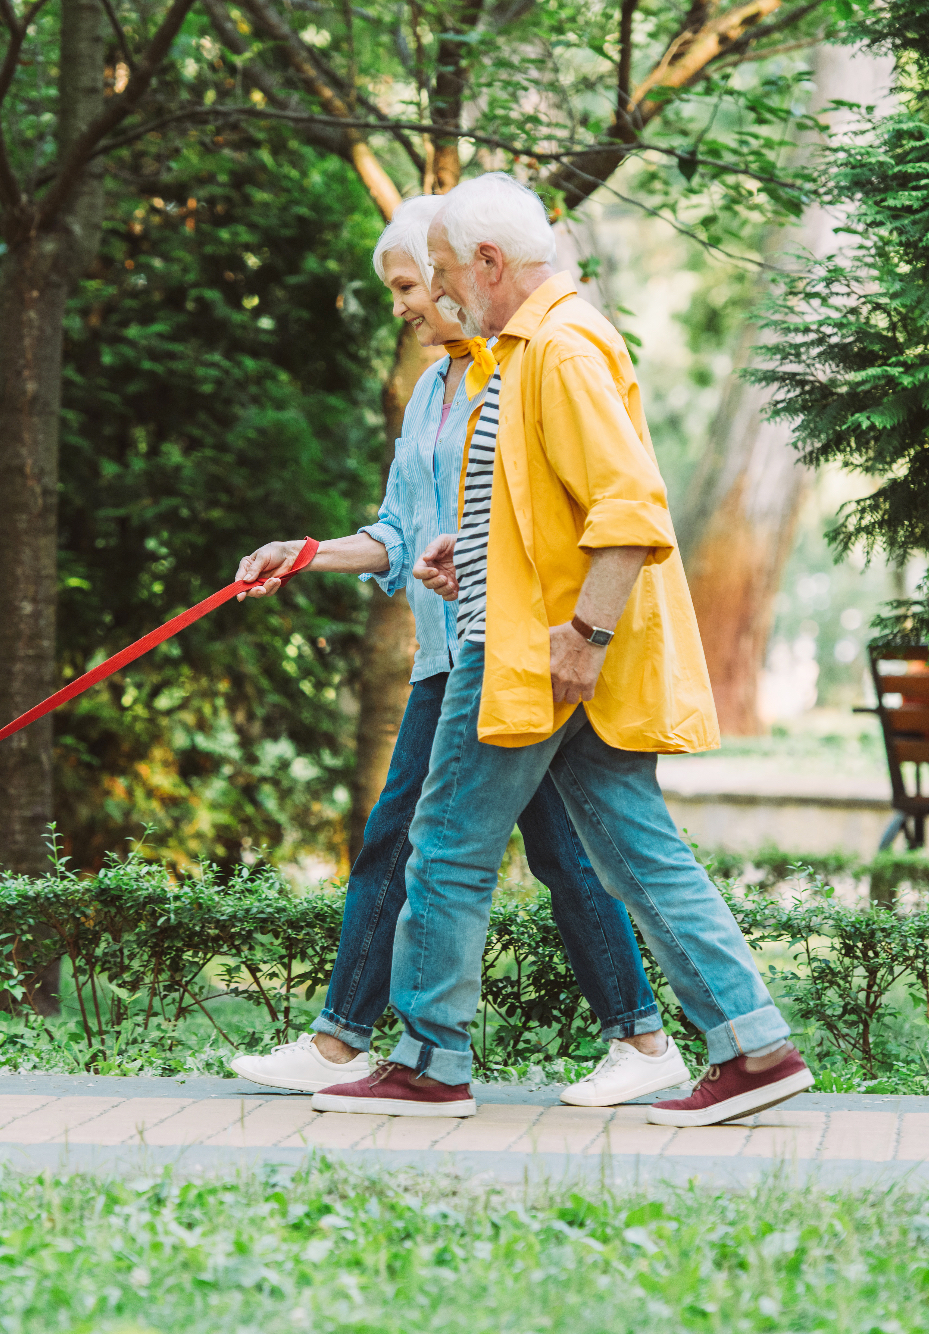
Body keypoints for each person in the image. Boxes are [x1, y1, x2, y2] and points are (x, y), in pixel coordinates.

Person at [311, 174, 812, 1126]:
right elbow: (561, 507)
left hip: (545, 654)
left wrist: (582, 637)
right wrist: (482, 544)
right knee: (635, 849)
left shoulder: (559, 348)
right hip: (549, 639)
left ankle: (427, 1062)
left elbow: (630, 510)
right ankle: (754, 1046)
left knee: (448, 843)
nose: (445, 293)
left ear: (492, 264)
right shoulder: (527, 352)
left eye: (449, 273)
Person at [224, 193, 689, 1109]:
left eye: (413, 282)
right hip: (452, 653)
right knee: (414, 841)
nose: (405, 302)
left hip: (517, 649)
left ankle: (627, 1037)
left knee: (537, 848)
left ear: (456, 276)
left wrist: (581, 635)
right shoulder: (433, 392)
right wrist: (308, 552)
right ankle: (357, 1042)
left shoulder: (522, 370)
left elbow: (603, 511)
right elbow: (402, 532)